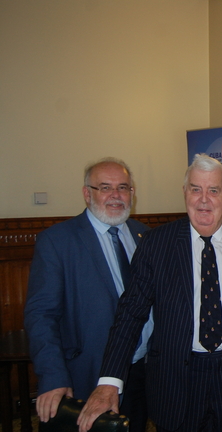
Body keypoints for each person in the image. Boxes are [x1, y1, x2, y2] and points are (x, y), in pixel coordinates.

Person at [78, 154, 222, 432]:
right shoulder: (155, 244)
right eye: (196, 189)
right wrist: (109, 381)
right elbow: (130, 314)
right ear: (185, 192)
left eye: (213, 190)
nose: (204, 199)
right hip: (178, 378)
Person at [24, 157, 152, 432]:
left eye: (123, 187)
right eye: (105, 187)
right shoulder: (57, 241)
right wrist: (53, 376)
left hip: (142, 371)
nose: (116, 196)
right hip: (87, 374)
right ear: (87, 193)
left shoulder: (145, 236)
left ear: (132, 193)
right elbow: (41, 315)